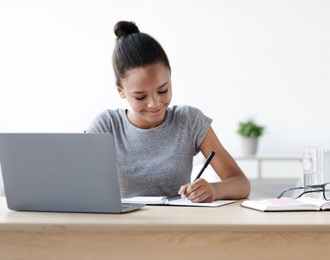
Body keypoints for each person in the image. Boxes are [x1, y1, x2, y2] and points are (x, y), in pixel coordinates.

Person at [87, 21, 250, 202]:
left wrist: (213, 190)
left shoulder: (189, 120)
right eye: (140, 97)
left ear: (170, 77)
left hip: (178, 227)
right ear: (121, 92)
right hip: (122, 227)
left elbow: (241, 184)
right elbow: (78, 184)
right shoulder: (106, 125)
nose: (154, 103)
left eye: (163, 90)